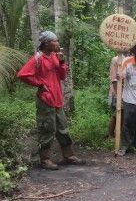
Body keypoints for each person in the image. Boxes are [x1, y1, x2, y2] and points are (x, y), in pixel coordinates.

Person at [17, 31, 85, 170]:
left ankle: (69, 156)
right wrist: (39, 84)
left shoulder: (55, 56)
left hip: (57, 98)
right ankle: (45, 159)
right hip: (45, 100)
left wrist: (61, 62)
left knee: (63, 128)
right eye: (55, 41)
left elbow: (62, 76)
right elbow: (23, 74)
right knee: (47, 129)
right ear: (46, 43)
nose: (58, 44)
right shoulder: (38, 58)